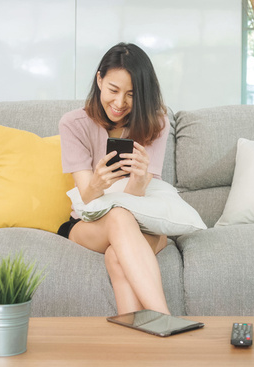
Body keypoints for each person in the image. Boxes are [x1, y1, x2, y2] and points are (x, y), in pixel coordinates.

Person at [58, 43, 171, 315]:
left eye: (131, 95)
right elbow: (85, 197)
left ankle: (135, 347)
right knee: (118, 216)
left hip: (141, 221)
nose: (119, 103)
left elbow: (138, 206)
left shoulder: (157, 123)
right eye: (113, 90)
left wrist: (140, 181)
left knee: (116, 255)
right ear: (99, 80)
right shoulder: (73, 124)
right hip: (89, 222)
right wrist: (97, 182)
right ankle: (167, 319)